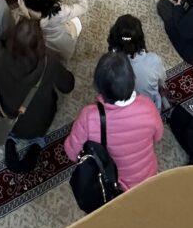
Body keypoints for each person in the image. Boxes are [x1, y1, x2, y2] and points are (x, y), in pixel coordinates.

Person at [0, 18, 75, 173]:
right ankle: (37, 143)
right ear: (40, 41)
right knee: (52, 99)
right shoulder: (49, 62)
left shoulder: (0, 60)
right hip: (41, 123)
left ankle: (11, 139)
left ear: (12, 40)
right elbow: (68, 86)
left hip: (11, 121)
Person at [64, 52, 164, 191]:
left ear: (98, 87)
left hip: (118, 184)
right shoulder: (148, 105)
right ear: (132, 79)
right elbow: (158, 136)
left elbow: (72, 152)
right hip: (149, 175)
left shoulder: (89, 116)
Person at [20, 0, 89, 65]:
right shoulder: (59, 13)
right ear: (47, 1)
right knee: (77, 22)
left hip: (39, 36)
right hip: (58, 44)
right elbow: (83, 6)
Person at [107, 14, 167, 110]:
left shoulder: (109, 65)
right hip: (151, 110)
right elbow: (162, 80)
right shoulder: (154, 60)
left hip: (124, 110)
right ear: (141, 38)